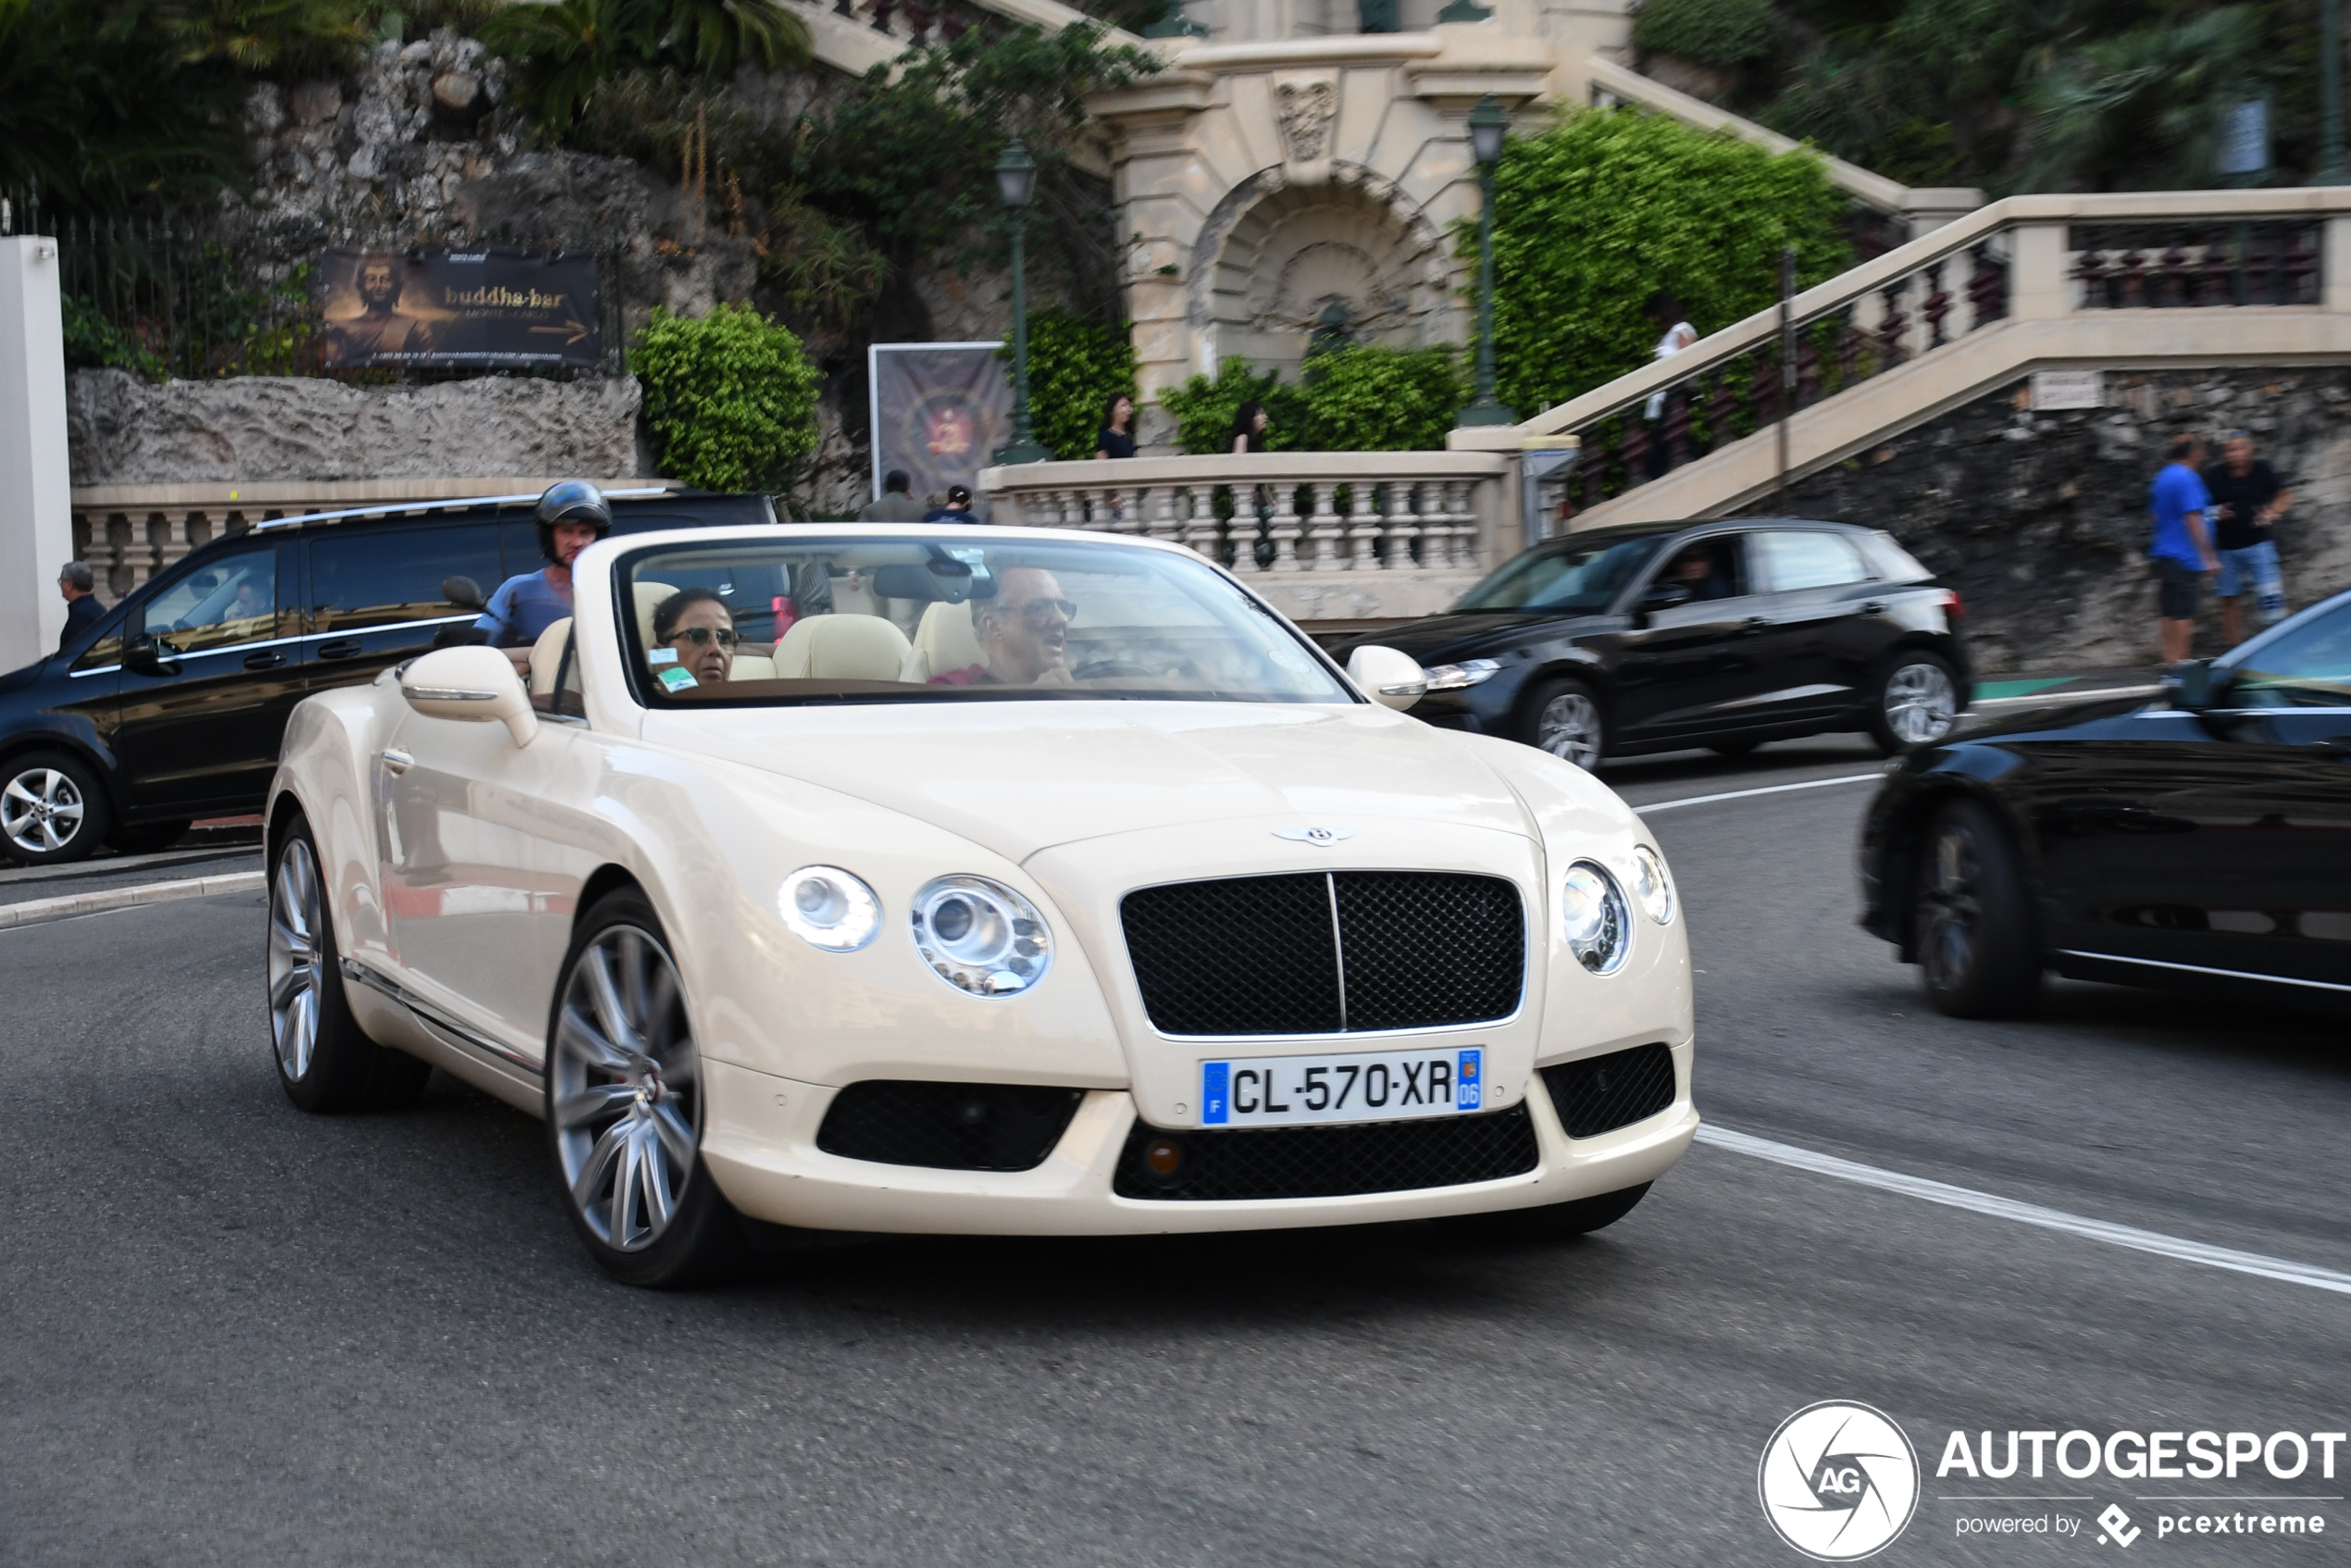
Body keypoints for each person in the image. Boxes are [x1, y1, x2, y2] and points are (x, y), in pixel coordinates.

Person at [476, 480, 611, 674]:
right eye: (567, 531)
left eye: (585, 532)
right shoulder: (518, 591)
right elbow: (482, 654)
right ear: (549, 537)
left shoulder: (614, 589)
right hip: (537, 699)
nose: (576, 541)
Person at [2202, 429, 2294, 645]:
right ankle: (2235, 651)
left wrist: (2272, 513)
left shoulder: (2262, 469)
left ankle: (2279, 648)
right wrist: (2215, 513)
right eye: (2228, 450)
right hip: (2226, 549)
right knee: (2229, 601)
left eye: (2237, 449)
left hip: (2259, 544)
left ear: (2249, 450)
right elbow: (2197, 510)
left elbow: (2284, 495)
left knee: (2270, 597)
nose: (2232, 454)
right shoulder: (2214, 476)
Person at [927, 566, 1075, 687]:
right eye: (1038, 608)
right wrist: (1032, 697)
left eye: (1063, 607)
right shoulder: (951, 688)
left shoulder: (1087, 683)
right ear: (994, 627)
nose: (1061, 619)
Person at [2148, 432, 2220, 666]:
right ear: (2194, 453)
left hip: (2164, 553)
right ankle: (2181, 664)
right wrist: (2208, 557)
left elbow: (2155, 516)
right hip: (2185, 556)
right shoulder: (2187, 478)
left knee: (2168, 611)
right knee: (2184, 613)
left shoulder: (2161, 477)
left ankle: (2169, 661)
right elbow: (2193, 519)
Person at [324, 254, 435, 367]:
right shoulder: (342, 328)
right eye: (371, 279)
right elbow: (336, 367)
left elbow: (428, 364)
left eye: (386, 279)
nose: (378, 286)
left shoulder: (416, 327)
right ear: (360, 287)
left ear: (398, 287)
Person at [1644, 292, 1697, 480]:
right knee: (1669, 433)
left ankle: (1654, 473)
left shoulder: (1681, 329)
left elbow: (1688, 355)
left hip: (1674, 392)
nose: (1654, 320)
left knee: (1666, 433)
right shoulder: (1671, 333)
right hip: (1667, 393)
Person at [648, 587, 737, 691]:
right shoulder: (642, 703)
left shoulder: (746, 698)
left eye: (725, 638)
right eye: (697, 636)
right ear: (662, 654)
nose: (716, 649)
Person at [56, 562, 102, 650]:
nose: (60, 585)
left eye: (61, 581)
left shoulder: (80, 615)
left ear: (69, 585)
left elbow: (73, 652)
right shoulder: (96, 608)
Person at [1666, 543, 1732, 600]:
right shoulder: (1671, 585)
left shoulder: (1716, 587)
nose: (1694, 563)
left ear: (1711, 560)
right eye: (1687, 558)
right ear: (1676, 563)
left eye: (1702, 557)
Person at [857, 469, 927, 522]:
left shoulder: (870, 510)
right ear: (907, 488)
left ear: (886, 486)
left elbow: (860, 537)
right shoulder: (920, 511)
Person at [1094, 393, 1138, 460]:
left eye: (1129, 405)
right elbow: (1100, 462)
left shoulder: (1128, 435)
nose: (1128, 409)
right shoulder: (1106, 435)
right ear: (1112, 410)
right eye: (1123, 405)